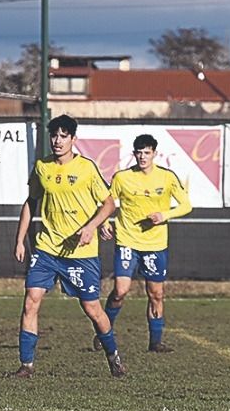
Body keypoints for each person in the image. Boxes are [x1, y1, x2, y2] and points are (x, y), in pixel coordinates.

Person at [11, 115, 126, 379]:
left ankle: (113, 355)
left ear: (73, 139)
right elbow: (31, 202)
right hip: (47, 248)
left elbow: (108, 204)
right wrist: (20, 239)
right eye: (54, 135)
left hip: (80, 254)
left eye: (63, 136)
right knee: (31, 302)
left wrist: (92, 226)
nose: (57, 141)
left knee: (92, 309)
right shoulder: (42, 167)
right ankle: (26, 365)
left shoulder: (86, 168)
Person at [82, 134, 192, 353]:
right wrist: (102, 223)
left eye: (147, 152)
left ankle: (155, 342)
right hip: (127, 242)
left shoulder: (167, 178)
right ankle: (104, 332)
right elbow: (107, 202)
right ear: (134, 154)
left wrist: (164, 215)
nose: (142, 157)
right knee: (120, 291)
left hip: (155, 245)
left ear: (154, 154)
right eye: (139, 153)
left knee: (156, 294)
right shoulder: (122, 178)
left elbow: (186, 205)